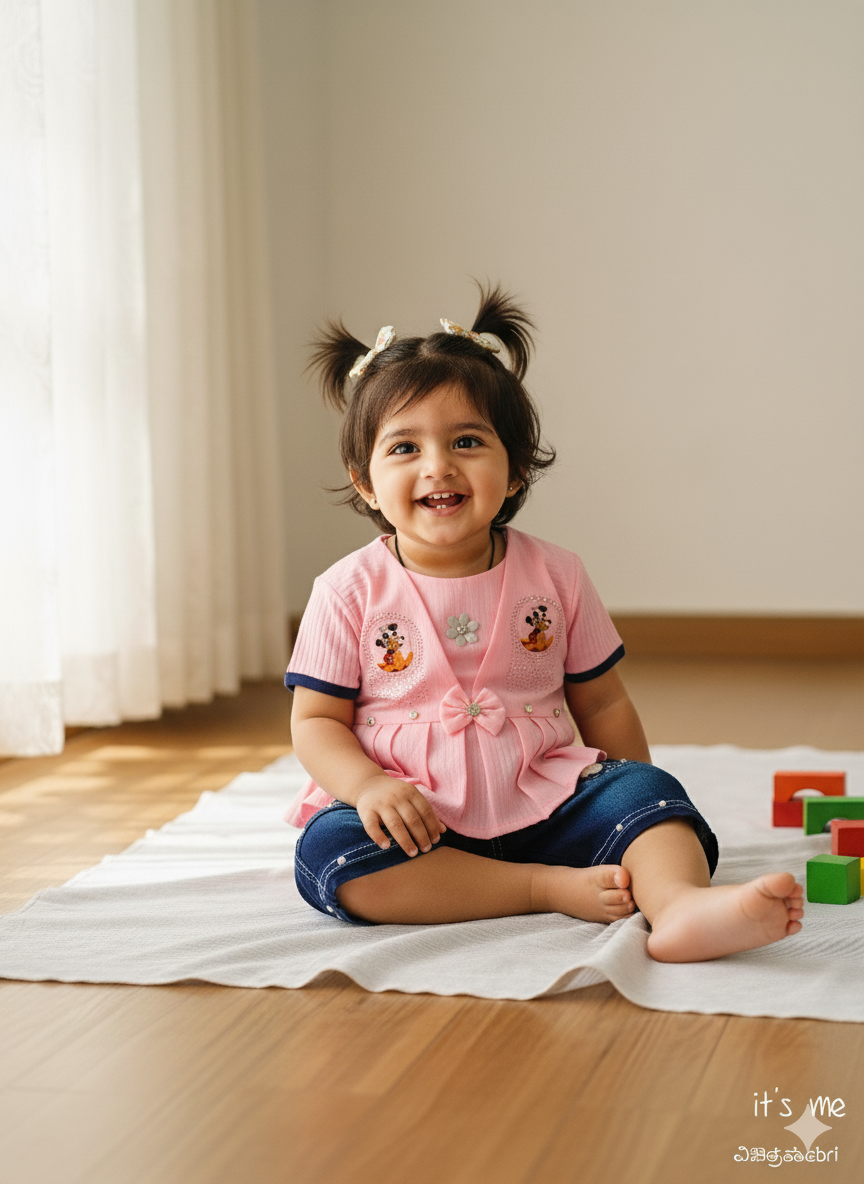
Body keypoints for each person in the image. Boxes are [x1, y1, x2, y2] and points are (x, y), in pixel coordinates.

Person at [286, 283, 804, 962]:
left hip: (548, 799)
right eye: (404, 449)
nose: (438, 465)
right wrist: (368, 787)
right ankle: (536, 887)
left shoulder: (556, 575)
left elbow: (603, 698)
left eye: (467, 441)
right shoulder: (347, 589)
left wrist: (629, 808)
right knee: (329, 854)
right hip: (415, 819)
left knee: (654, 798)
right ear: (364, 481)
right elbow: (317, 721)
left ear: (518, 467)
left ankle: (679, 906)